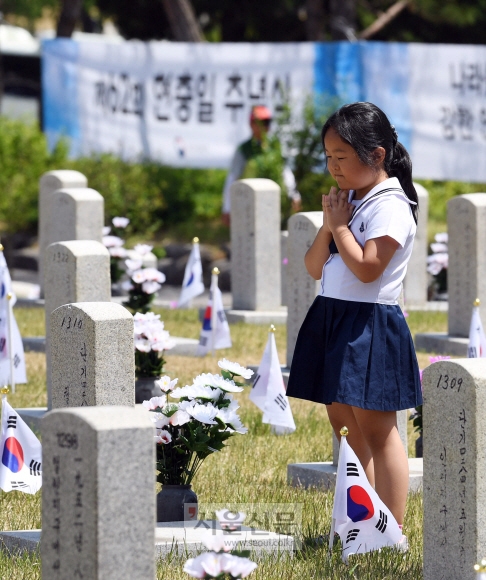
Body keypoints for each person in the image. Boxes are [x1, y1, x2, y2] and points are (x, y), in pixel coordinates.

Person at [286, 102, 422, 540]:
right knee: (345, 423)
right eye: (328, 157)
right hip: (333, 316)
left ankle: (391, 530)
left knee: (379, 431)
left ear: (377, 155)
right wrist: (330, 224)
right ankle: (362, 521)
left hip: (369, 323)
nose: (333, 167)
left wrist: (341, 227)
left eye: (341, 157)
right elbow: (312, 266)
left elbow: (368, 268)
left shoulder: (392, 205)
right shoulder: (350, 202)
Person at [221, 105, 301, 227]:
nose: (266, 126)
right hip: (248, 203)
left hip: (273, 203)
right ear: (252, 124)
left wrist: (293, 195)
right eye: (262, 122)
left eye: (267, 122)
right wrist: (227, 208)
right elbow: (232, 178)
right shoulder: (244, 150)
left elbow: (285, 172)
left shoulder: (275, 147)